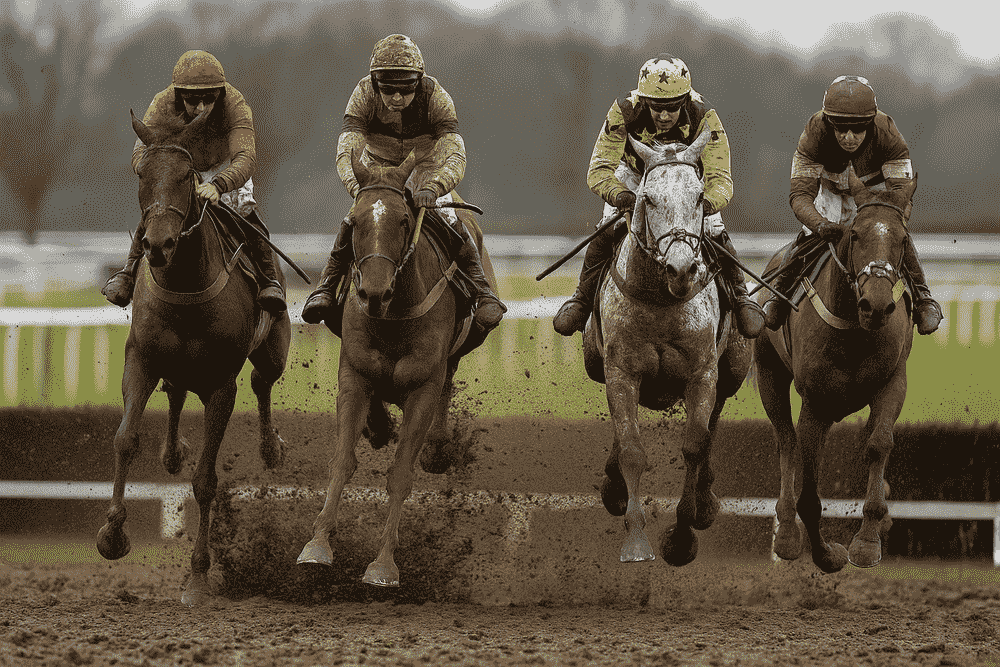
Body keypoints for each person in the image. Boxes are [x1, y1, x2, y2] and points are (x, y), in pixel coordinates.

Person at [300, 34, 506, 331]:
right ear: (375, 83)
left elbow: (454, 153)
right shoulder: (362, 94)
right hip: (378, 171)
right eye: (388, 89)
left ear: (418, 81)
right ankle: (327, 287)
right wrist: (358, 188)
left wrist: (435, 187)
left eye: (406, 89)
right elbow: (348, 148)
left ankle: (483, 292)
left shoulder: (436, 97)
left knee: (452, 218)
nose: (397, 97)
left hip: (426, 168)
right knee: (355, 218)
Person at [553, 54, 765, 339]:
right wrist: (622, 197)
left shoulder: (705, 115)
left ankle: (740, 298)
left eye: (672, 108)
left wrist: (705, 204)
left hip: (685, 183)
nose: (664, 116)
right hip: (634, 177)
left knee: (714, 228)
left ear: (685, 101)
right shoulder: (624, 110)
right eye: (656, 108)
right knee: (609, 224)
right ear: (644, 101)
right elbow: (599, 170)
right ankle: (582, 299)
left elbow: (721, 178)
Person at [101, 50, 286, 314]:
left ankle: (269, 279)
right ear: (179, 96)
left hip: (225, 166)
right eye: (192, 100)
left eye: (209, 99)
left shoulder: (235, 104)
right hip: (180, 167)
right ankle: (128, 272)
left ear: (219, 94)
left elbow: (245, 157)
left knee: (243, 206)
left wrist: (219, 185)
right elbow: (140, 152)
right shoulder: (163, 102)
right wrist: (157, 173)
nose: (201, 108)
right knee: (161, 207)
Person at [761, 75, 942, 334]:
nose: (848, 137)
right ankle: (778, 298)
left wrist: (888, 220)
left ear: (870, 123)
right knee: (806, 238)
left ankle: (924, 299)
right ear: (828, 123)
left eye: (857, 129)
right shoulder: (814, 132)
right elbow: (800, 195)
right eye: (840, 128)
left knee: (895, 236)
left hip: (876, 198)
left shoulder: (888, 133)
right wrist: (820, 225)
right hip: (831, 196)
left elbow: (902, 195)